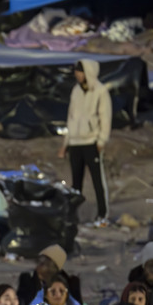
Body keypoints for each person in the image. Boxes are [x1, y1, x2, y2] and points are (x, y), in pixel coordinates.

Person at [59, 60, 112, 224]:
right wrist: (65, 144)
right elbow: (71, 117)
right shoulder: (76, 91)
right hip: (75, 142)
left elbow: (105, 117)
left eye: (80, 71)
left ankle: (102, 213)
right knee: (76, 182)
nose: (77, 74)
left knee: (97, 180)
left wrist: (102, 139)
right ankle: (72, 215)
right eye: (76, 71)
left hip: (91, 141)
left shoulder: (100, 91)